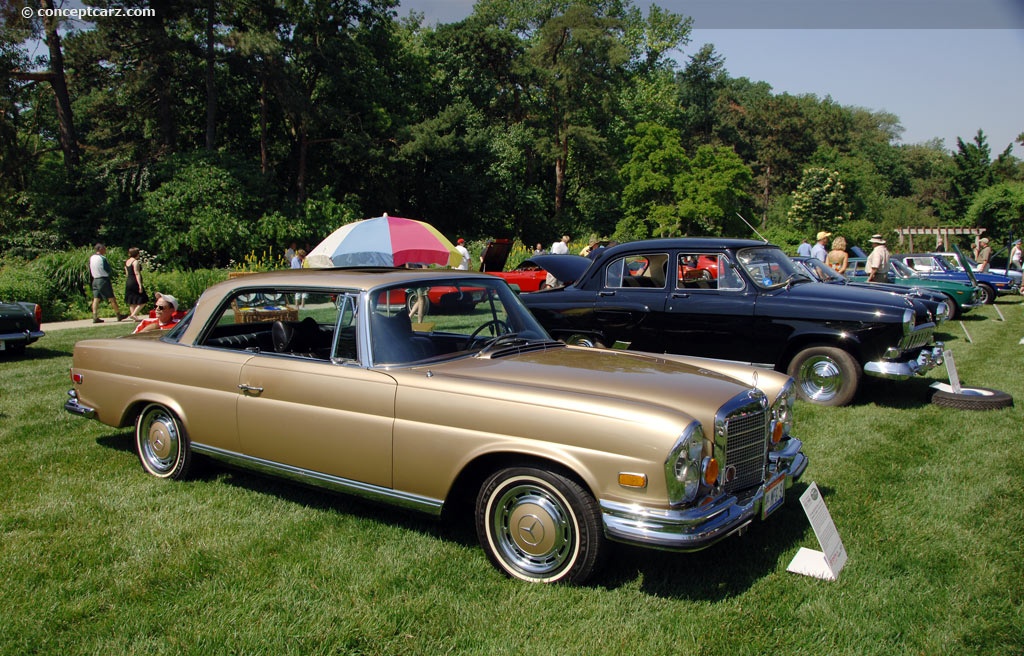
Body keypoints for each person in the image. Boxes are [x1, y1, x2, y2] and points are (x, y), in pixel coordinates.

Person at [89, 243, 127, 323]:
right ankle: (118, 314)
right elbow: (107, 269)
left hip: (95, 279)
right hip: (103, 279)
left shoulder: (92, 258)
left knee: (96, 298)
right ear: (100, 249)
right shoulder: (102, 258)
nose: (105, 250)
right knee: (111, 298)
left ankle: (95, 316)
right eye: (104, 249)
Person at [123, 247, 148, 321]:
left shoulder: (127, 262)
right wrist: (140, 285)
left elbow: (127, 273)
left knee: (132, 301)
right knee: (143, 299)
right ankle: (133, 314)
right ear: (137, 254)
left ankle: (134, 317)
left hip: (128, 281)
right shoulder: (135, 262)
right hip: (134, 281)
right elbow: (137, 273)